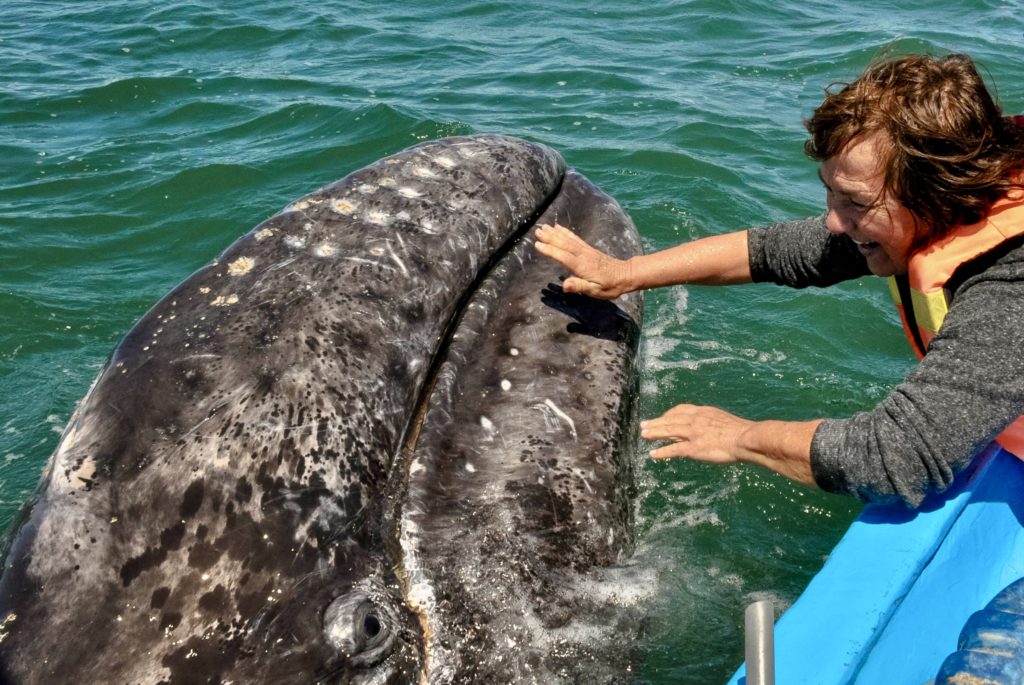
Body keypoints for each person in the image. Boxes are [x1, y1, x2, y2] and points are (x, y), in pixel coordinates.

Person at [533, 52, 1024, 507]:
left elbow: (895, 458)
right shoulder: (942, 211)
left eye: (855, 201)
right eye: (830, 192)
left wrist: (739, 436)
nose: (833, 220)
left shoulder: (1009, 291)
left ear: (939, 191)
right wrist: (626, 273)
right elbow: (778, 251)